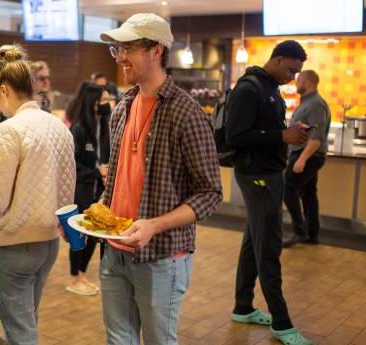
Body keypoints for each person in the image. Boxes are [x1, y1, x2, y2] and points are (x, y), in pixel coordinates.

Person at [98, 13, 222, 345]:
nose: (120, 57)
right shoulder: (123, 107)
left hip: (162, 257)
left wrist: (153, 225)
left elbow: (210, 193)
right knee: (118, 340)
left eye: (129, 48)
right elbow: (118, 180)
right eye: (117, 49)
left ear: (156, 50)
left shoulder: (187, 112)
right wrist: (94, 214)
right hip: (114, 250)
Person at [0, 45, 75, 345]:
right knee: (28, 322)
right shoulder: (60, 128)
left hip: (13, 243)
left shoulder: (9, 129)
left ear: (3, 90)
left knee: (19, 332)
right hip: (48, 243)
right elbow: (66, 190)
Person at [226, 40, 313, 345]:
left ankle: (243, 306)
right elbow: (236, 136)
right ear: (276, 60)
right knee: (270, 248)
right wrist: (281, 135)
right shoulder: (249, 89)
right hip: (257, 177)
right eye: (290, 69)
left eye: (297, 72)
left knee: (254, 241)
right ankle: (282, 323)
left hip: (269, 175)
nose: (293, 76)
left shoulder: (271, 88)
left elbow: (265, 131)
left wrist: (288, 133)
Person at [66, 84, 111, 296]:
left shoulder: (104, 128)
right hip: (81, 191)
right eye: (104, 100)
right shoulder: (79, 129)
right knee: (79, 236)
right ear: (93, 103)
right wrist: (96, 172)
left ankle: (82, 274)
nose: (108, 105)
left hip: (98, 193)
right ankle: (74, 278)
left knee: (94, 236)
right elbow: (70, 164)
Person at [283, 70, 331, 248]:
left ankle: (299, 231)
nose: (296, 83)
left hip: (308, 155)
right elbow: (310, 129)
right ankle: (312, 234)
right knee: (309, 194)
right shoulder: (308, 103)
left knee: (287, 188)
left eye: (299, 80)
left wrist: (302, 159)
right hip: (306, 154)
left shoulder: (316, 104)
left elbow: (317, 137)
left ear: (307, 82)